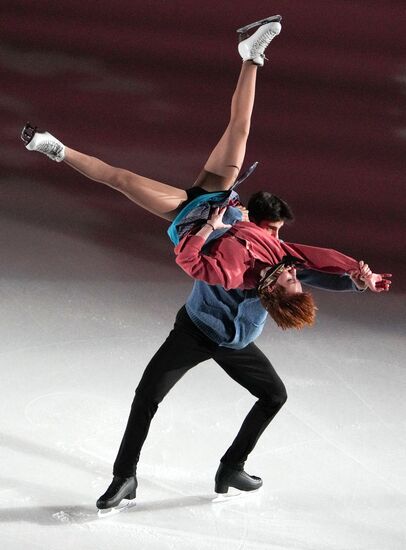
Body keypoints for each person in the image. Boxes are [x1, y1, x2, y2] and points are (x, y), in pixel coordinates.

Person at [21, 17, 390, 510]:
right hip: (213, 220)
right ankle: (252, 54)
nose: (291, 274)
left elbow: (190, 260)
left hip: (190, 222)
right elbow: (322, 273)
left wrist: (210, 229)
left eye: (287, 282)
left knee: (124, 181)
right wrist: (359, 280)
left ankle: (230, 466)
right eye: (292, 277)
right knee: (238, 130)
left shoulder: (235, 273)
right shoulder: (284, 263)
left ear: (271, 295)